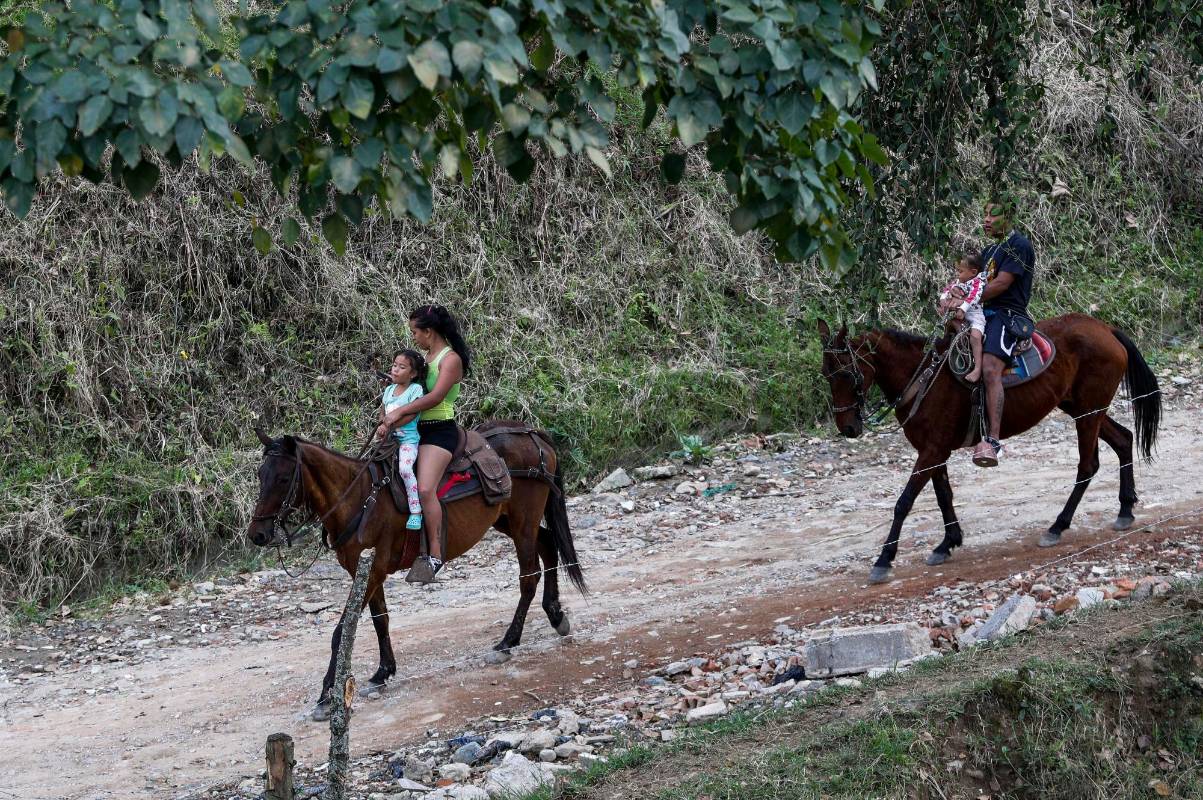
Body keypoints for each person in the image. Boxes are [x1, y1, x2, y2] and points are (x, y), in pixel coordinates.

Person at [375, 304, 471, 583]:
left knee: (426, 487)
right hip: (410, 428)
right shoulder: (424, 357)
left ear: (429, 332)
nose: (413, 337)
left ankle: (435, 556)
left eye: (415, 332)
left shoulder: (449, 359)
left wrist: (400, 412)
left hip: (438, 430)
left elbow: (435, 398)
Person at [973, 199, 1036, 468]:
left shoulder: (1018, 245)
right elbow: (974, 282)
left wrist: (969, 298)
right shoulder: (989, 249)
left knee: (989, 368)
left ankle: (994, 441)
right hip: (982, 312)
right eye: (984, 214)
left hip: (1006, 314)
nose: (986, 219)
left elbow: (1000, 284)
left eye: (993, 214)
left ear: (1007, 217)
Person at [380, 349, 426, 530]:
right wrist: (382, 426)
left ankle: (415, 511)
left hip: (408, 441)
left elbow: (412, 414)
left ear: (413, 373)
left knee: (405, 469)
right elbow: (382, 411)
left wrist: (390, 425)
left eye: (402, 367)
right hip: (389, 441)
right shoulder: (389, 390)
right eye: (394, 365)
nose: (395, 370)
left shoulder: (415, 390)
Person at [938, 253, 987, 383]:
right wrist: (943, 299)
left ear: (973, 272)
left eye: (960, 271)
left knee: (975, 337)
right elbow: (948, 288)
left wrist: (962, 308)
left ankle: (977, 368)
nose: (958, 274)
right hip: (962, 314)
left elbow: (974, 297)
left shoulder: (978, 283)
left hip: (975, 315)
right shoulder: (960, 281)